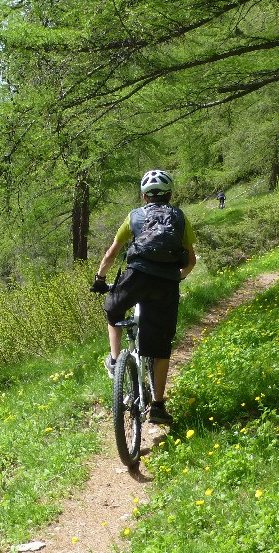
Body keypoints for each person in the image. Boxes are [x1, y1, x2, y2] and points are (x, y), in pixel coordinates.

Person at [89, 169, 196, 425]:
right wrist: (175, 278)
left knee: (113, 310)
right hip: (166, 284)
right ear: (170, 194)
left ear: (143, 196)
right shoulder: (180, 217)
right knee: (160, 348)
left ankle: (115, 362)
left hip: (136, 277)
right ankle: (158, 406)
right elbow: (190, 261)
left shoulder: (134, 216)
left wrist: (100, 280)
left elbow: (111, 254)